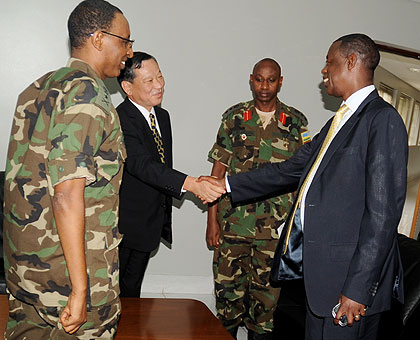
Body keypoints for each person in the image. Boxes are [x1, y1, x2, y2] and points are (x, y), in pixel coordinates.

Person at [200, 33, 408, 340]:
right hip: (322, 286)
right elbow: (289, 169)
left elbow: (382, 216)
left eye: (329, 62)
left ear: (351, 62)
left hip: (348, 290)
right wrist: (225, 184)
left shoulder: (382, 119)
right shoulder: (340, 121)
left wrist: (357, 290)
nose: (324, 70)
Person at [3, 0, 134, 338]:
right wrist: (80, 289)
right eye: (124, 41)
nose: (129, 52)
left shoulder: (37, 88)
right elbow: (66, 194)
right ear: (98, 38)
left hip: (28, 269)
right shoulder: (87, 92)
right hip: (73, 273)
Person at [206, 58, 309, 340]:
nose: (265, 86)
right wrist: (211, 222)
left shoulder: (296, 123)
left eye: (271, 80)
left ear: (280, 81)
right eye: (259, 79)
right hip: (233, 227)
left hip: (273, 233)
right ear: (251, 79)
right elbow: (217, 174)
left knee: (265, 310)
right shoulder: (234, 118)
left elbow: (304, 178)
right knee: (227, 304)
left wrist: (296, 230)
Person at [116, 52, 225, 297]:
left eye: (160, 76)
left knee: (132, 292)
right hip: (123, 227)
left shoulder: (161, 116)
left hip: (149, 222)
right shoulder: (120, 119)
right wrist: (192, 185)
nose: (160, 84)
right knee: (118, 295)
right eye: (149, 80)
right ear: (127, 87)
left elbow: (162, 165)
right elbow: (141, 165)